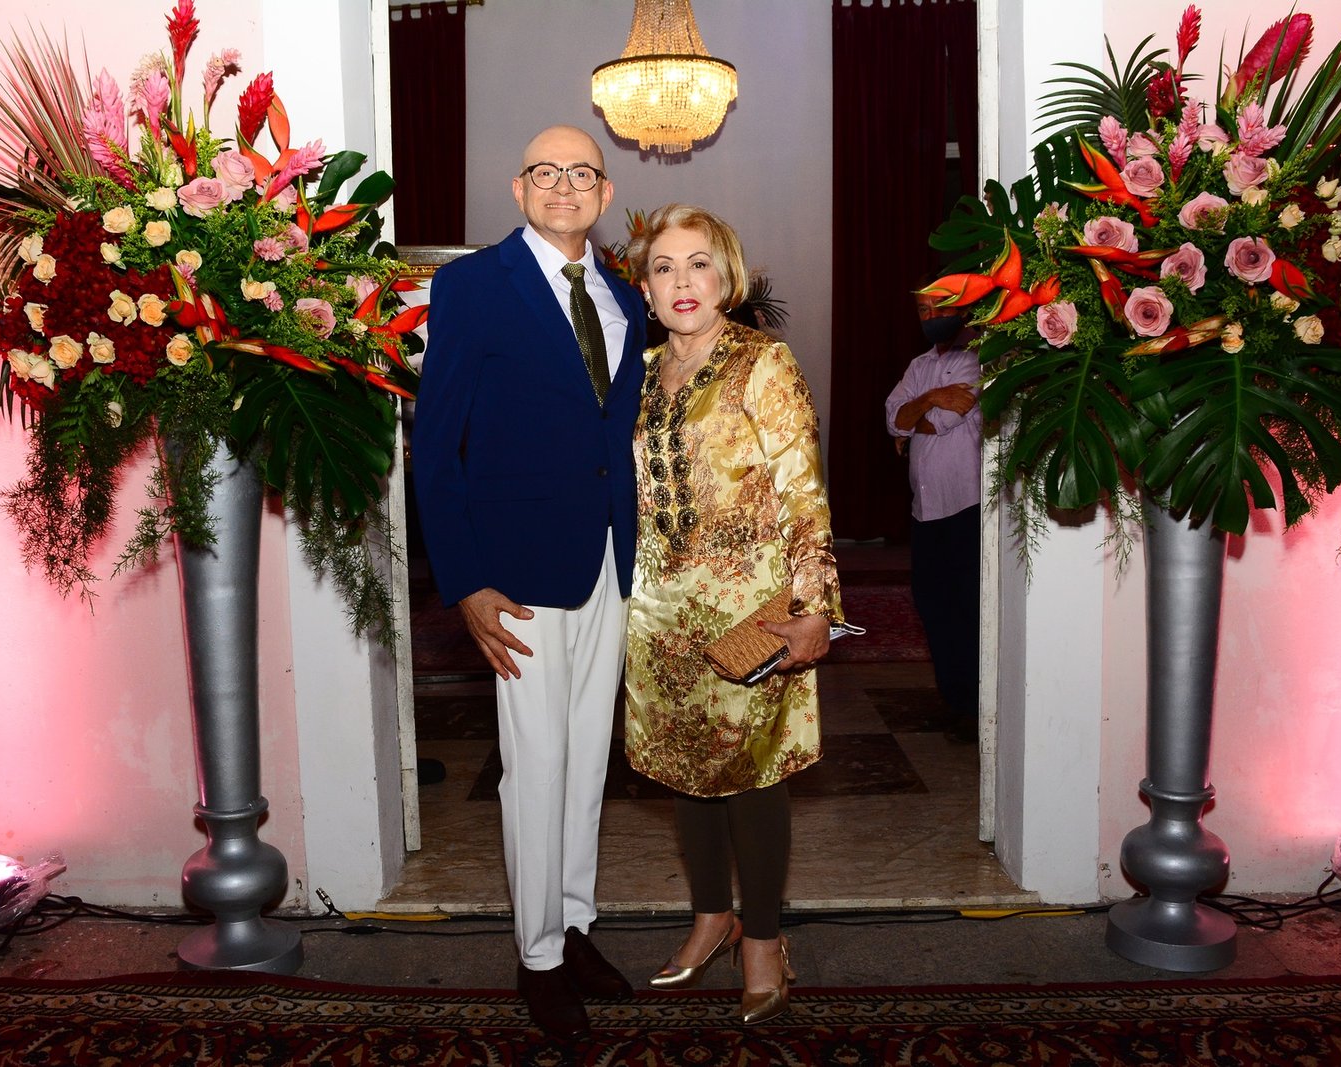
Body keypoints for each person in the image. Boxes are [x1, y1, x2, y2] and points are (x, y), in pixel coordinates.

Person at [410, 125, 646, 1042]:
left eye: (581, 172)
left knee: (587, 758)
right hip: (516, 576)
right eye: (545, 171)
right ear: (519, 190)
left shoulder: (624, 296)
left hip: (608, 562)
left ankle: (574, 925)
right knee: (536, 762)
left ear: (604, 192)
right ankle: (538, 956)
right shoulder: (473, 286)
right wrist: (465, 578)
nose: (563, 185)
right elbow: (437, 446)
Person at [621, 204, 843, 1026]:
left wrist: (812, 607)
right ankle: (712, 916)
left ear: (728, 276)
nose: (683, 281)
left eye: (699, 263)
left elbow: (803, 494)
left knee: (753, 775)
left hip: (751, 612)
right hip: (658, 611)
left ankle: (765, 941)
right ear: (646, 289)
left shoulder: (762, 362)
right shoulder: (639, 372)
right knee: (687, 768)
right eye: (665, 267)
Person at [884, 289, 982, 744]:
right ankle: (954, 701)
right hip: (925, 509)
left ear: (962, 306)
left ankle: (976, 706)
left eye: (940, 306)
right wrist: (930, 400)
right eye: (923, 310)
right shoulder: (919, 365)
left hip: (965, 506)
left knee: (966, 608)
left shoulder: (976, 359)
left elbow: (948, 416)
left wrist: (916, 414)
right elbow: (893, 418)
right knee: (932, 605)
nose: (931, 316)